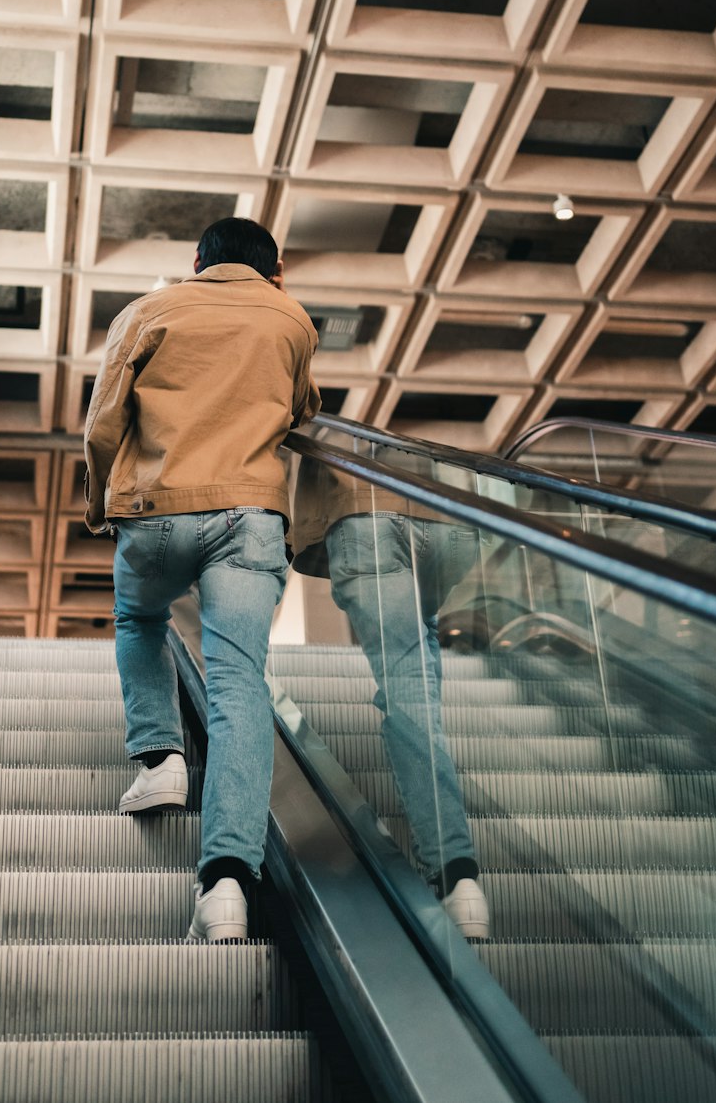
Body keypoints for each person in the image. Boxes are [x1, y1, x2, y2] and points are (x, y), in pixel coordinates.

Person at [84, 217, 320, 942]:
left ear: (197, 261)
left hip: (157, 509)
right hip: (250, 516)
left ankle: (159, 758)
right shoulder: (292, 319)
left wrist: (102, 505)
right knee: (238, 681)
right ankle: (224, 886)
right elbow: (303, 409)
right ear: (274, 271)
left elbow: (101, 425)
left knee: (140, 619)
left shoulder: (151, 311)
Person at [292, 451, 490, 939]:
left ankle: (454, 872)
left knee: (407, 684)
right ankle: (458, 878)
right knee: (414, 667)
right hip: (451, 517)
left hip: (365, 517)